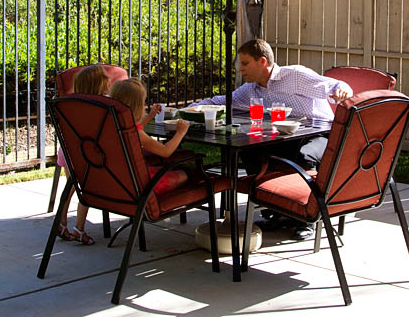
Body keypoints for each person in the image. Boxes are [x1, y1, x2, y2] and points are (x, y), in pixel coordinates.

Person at [188, 39, 353, 239]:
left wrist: (342, 91)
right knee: (251, 150)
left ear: (263, 62)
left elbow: (335, 85)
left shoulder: (294, 76)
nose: (240, 69)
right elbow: (221, 102)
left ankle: (308, 217)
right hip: (287, 137)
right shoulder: (251, 90)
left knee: (304, 155)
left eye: (245, 63)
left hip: (321, 134)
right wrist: (187, 111)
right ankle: (275, 211)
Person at [57, 63, 110, 245]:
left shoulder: (70, 104)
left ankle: (61, 223)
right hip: (87, 154)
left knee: (70, 187)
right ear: (99, 85)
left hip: (67, 151)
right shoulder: (100, 106)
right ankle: (79, 228)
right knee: (87, 189)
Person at [110, 77, 191, 194]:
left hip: (118, 180)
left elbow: (134, 132)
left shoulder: (113, 125)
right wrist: (180, 132)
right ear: (137, 105)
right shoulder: (136, 133)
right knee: (186, 173)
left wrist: (150, 116)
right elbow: (166, 151)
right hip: (140, 186)